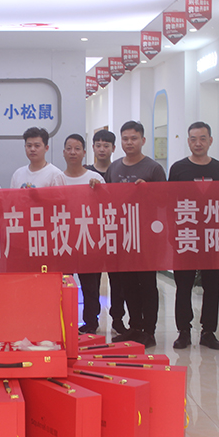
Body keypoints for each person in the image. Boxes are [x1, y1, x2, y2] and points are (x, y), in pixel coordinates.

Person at [169, 122, 219, 351]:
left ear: (210, 140)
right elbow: (169, 201)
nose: (197, 143)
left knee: (212, 286)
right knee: (183, 286)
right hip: (185, 235)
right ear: (188, 141)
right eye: (193, 139)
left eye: (202, 138)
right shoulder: (178, 169)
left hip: (212, 236)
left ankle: (209, 332)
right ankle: (183, 331)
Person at [107, 120, 166, 349]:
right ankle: (134, 327)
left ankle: (149, 331)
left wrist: (148, 191)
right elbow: (107, 200)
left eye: (133, 138)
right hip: (123, 236)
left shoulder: (153, 169)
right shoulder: (114, 168)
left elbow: (164, 202)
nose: (129, 142)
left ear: (143, 140)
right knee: (128, 284)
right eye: (125, 138)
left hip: (147, 237)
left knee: (147, 285)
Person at [61, 134, 105, 334]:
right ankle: (65, 322)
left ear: (84, 153)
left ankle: (91, 323)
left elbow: (105, 208)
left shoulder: (95, 178)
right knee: (65, 284)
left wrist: (99, 191)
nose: (73, 152)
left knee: (90, 286)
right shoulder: (57, 178)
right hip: (63, 239)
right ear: (63, 152)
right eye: (69, 148)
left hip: (89, 239)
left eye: (77, 148)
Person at [87, 129, 128, 335]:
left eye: (106, 145)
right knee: (91, 281)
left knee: (118, 281)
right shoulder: (85, 172)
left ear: (113, 148)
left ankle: (118, 320)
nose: (102, 149)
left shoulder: (119, 171)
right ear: (93, 147)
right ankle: (91, 320)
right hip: (91, 234)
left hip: (115, 233)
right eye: (98, 145)